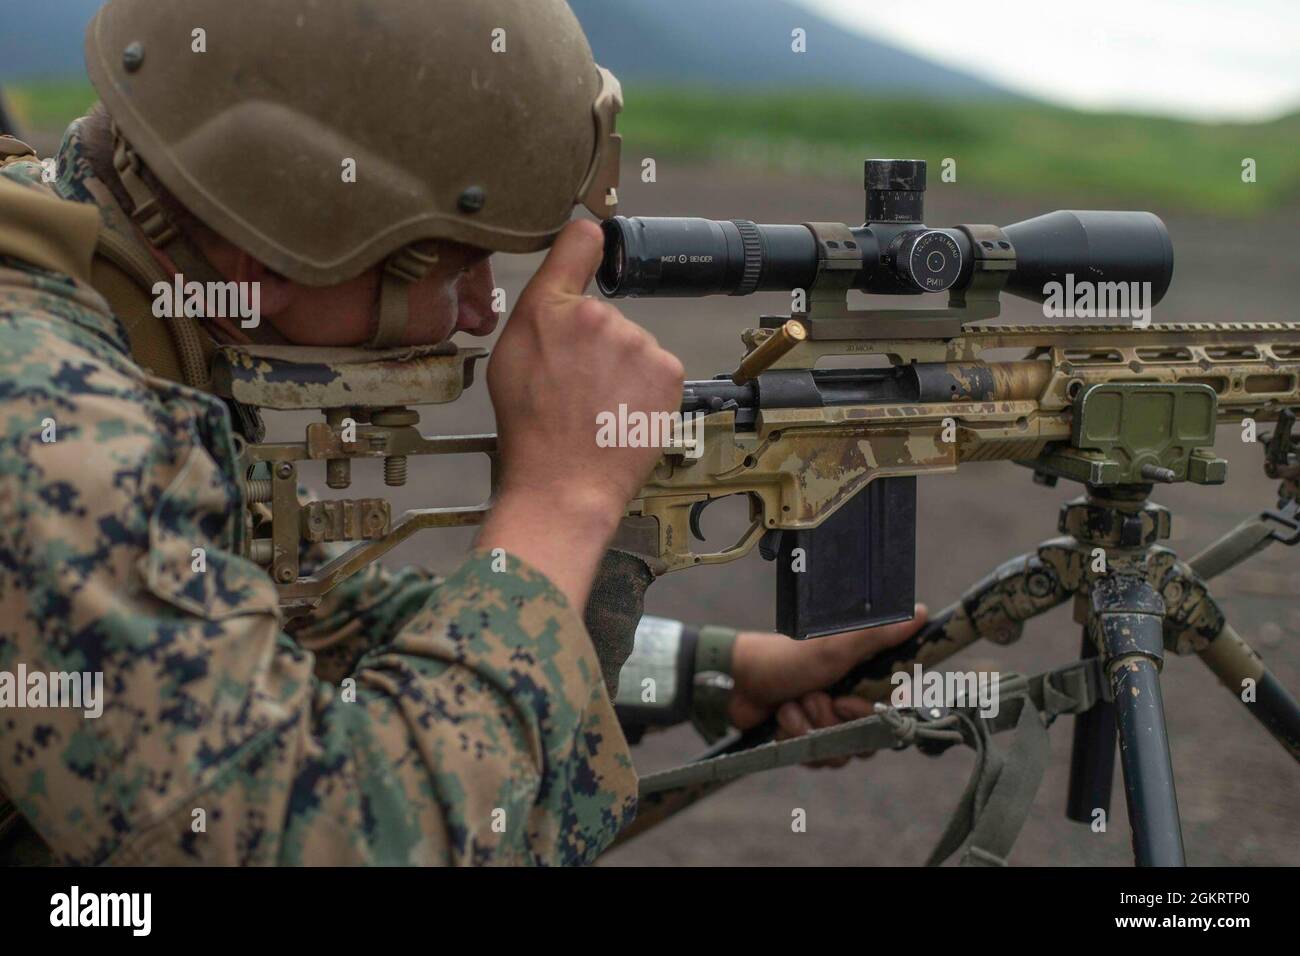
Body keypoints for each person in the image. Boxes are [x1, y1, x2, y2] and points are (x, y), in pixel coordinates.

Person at [0, 0, 924, 866]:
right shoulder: (49, 415)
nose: (484, 312)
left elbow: (309, 635)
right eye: (461, 263)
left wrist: (714, 672)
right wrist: (559, 504)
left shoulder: (128, 310)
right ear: (276, 242)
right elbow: (323, 836)